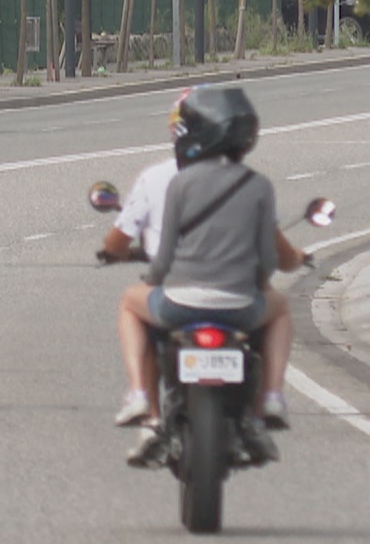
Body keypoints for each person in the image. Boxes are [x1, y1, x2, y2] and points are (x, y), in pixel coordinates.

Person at [106, 86, 302, 466]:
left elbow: (162, 260)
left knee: (132, 303)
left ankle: (139, 396)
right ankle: (273, 397)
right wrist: (255, 285)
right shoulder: (258, 185)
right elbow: (267, 259)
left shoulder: (179, 183)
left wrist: (157, 278)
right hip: (241, 307)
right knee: (279, 309)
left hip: (179, 304)